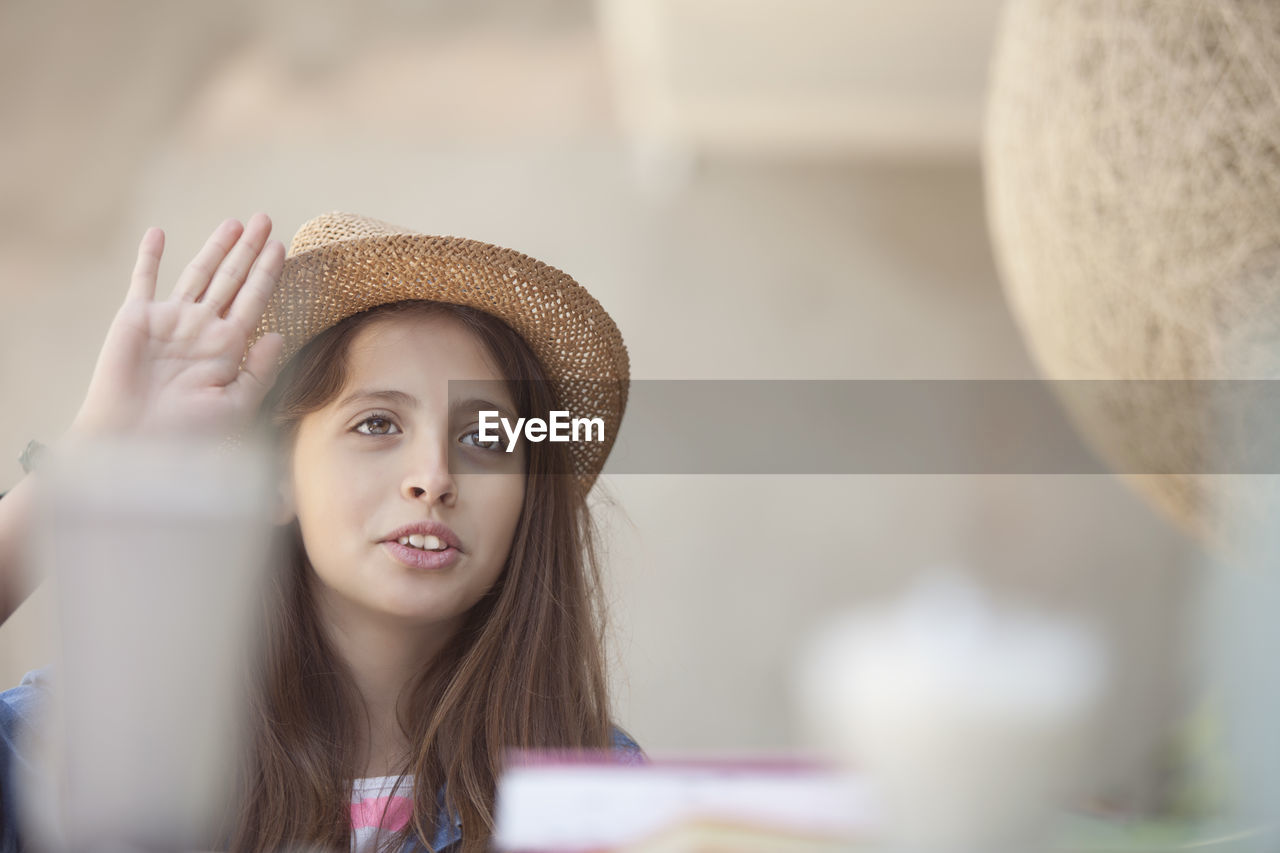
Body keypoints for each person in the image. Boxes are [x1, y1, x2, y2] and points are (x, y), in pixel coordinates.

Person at [0, 212, 641, 853]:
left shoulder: (601, 796)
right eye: (378, 424)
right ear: (278, 476)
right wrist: (95, 449)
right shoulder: (96, 746)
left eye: (483, 438)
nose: (434, 477)